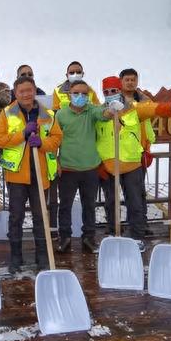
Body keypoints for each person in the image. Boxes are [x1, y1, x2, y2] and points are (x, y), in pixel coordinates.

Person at [96, 76, 171, 251]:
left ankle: (137, 236)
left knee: (135, 202)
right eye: (106, 92)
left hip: (132, 163)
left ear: (120, 91)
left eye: (114, 91)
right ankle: (113, 233)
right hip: (108, 166)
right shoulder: (99, 113)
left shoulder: (135, 109)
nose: (110, 95)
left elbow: (154, 108)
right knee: (111, 202)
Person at [0, 76, 62, 273]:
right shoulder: (7, 114)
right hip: (17, 176)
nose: (26, 94)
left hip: (40, 174)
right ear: (16, 93)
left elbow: (57, 139)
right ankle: (15, 257)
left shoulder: (47, 114)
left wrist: (42, 143)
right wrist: (22, 134)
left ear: (34, 91)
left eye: (29, 90)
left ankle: (42, 256)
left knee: (41, 217)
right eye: (21, 91)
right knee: (16, 217)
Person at [55, 80, 110, 254]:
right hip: (68, 168)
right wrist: (56, 161)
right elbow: (55, 140)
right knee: (65, 206)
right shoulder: (61, 115)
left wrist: (113, 109)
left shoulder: (91, 110)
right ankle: (64, 237)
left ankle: (89, 237)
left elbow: (104, 114)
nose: (80, 96)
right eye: (76, 93)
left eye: (84, 94)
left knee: (89, 205)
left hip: (90, 168)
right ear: (69, 94)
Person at [120, 68, 155, 237]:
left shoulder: (144, 102)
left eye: (133, 79)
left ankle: (140, 227)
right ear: (121, 82)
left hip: (138, 153)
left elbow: (148, 123)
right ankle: (116, 228)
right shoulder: (115, 101)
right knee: (118, 194)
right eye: (127, 79)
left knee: (138, 193)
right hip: (117, 155)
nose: (130, 82)